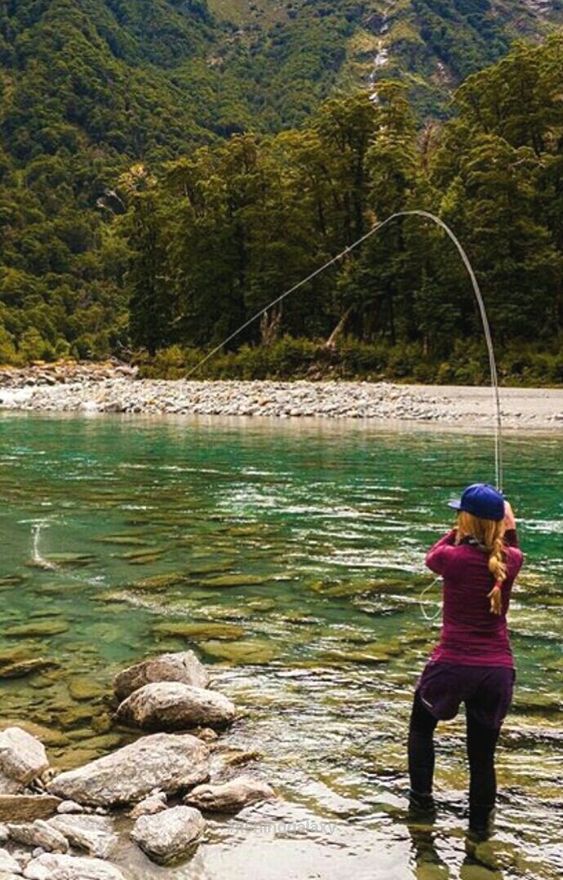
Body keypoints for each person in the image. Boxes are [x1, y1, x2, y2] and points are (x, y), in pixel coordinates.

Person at [407, 482, 524, 840]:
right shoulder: (512, 560)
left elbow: (432, 555)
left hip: (452, 665)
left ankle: (423, 809)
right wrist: (510, 525)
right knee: (482, 756)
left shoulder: (451, 559)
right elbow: (512, 548)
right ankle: (479, 835)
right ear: (499, 525)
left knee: (421, 728)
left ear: (465, 521)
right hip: (496, 672)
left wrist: (460, 529)